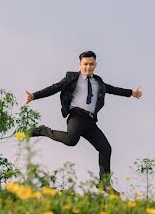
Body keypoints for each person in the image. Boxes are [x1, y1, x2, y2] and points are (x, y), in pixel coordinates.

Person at [26, 50, 142, 195]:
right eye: (85, 64)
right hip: (77, 116)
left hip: (90, 120)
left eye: (91, 64)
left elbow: (113, 89)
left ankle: (104, 183)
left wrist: (131, 92)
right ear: (80, 64)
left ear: (95, 65)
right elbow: (54, 88)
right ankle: (42, 130)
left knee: (105, 148)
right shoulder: (71, 77)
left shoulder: (98, 81)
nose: (88, 67)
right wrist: (34, 96)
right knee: (71, 140)